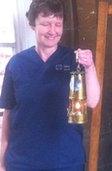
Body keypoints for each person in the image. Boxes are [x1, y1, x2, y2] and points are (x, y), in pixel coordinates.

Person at [0, 0, 100, 170]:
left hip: (65, 161)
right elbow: (8, 117)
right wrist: (1, 163)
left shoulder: (74, 59)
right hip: (22, 162)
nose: (53, 30)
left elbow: (92, 101)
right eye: (46, 24)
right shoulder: (16, 63)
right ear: (33, 25)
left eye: (58, 24)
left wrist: (90, 67)